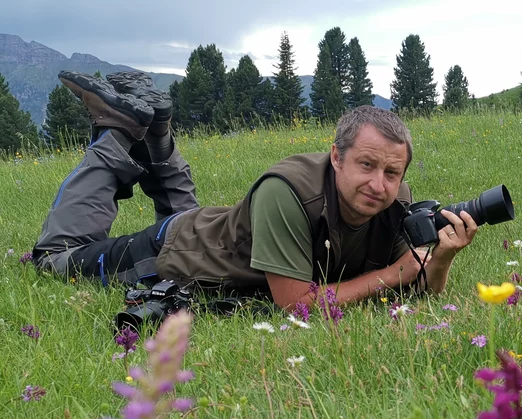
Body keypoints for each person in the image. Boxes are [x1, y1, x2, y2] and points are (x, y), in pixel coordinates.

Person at [32, 71, 477, 310]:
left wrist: (439, 259)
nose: (379, 185)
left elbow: (421, 290)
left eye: (392, 173)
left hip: (209, 228)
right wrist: (391, 274)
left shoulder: (395, 203)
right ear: (337, 157)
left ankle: (158, 126)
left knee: (191, 217)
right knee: (55, 257)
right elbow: (296, 304)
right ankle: (118, 135)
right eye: (366, 165)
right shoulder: (289, 190)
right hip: (176, 251)